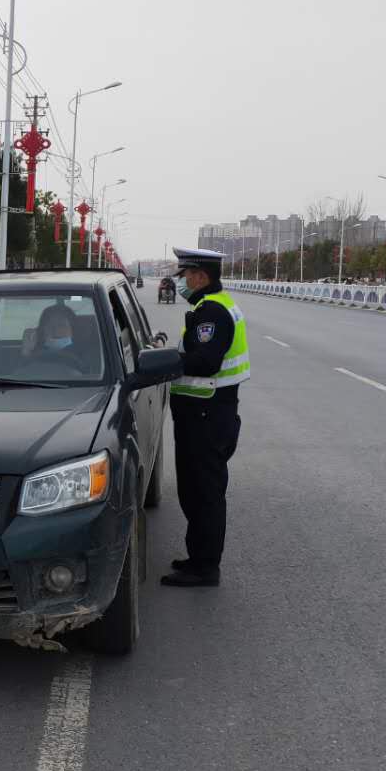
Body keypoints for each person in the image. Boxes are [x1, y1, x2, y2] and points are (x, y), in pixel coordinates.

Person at [161, 247, 250, 588]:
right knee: (196, 490)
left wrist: (168, 361)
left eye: (185, 275)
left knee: (204, 493)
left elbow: (206, 362)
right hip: (207, 413)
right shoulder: (213, 305)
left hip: (206, 415)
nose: (182, 281)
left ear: (200, 276)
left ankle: (205, 567)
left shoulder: (212, 311)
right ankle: (198, 557)